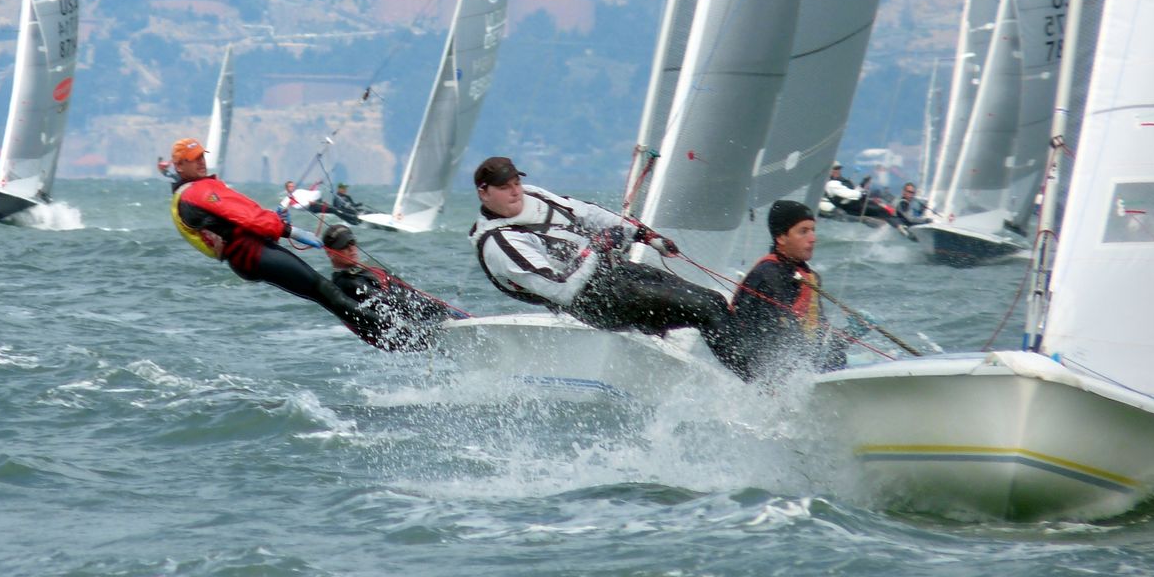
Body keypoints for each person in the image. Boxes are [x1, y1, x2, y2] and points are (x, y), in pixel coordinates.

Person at [467, 156, 733, 353]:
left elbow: (587, 212)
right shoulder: (498, 243)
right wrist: (596, 248)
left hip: (617, 274)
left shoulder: (533, 194)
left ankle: (753, 364)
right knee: (707, 309)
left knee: (716, 300)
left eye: (517, 182)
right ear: (483, 193)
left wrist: (644, 235)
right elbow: (562, 291)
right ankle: (754, 386)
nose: (516, 191)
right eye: (504, 187)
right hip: (596, 302)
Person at [167, 138, 399, 348]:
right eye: (193, 159)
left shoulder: (187, 194)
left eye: (201, 156)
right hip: (253, 254)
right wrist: (289, 231)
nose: (201, 162)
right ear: (179, 166)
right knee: (325, 291)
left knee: (324, 295)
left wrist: (273, 220)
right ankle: (401, 333)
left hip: (249, 257)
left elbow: (232, 221)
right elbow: (247, 218)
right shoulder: (196, 192)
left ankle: (393, 339)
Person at [726, 199, 847, 381]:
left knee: (836, 353)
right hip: (761, 370)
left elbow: (817, 327)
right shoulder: (767, 275)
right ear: (781, 237)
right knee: (832, 355)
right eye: (803, 231)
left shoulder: (809, 276)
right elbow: (772, 336)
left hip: (800, 361)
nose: (813, 238)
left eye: (813, 230)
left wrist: (845, 336)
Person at [320, 223, 458, 349]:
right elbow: (387, 302)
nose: (352, 249)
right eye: (344, 246)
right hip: (400, 336)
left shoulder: (367, 271)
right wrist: (436, 308)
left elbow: (406, 292)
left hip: (414, 324)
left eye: (352, 243)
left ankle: (452, 320)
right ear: (330, 253)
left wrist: (435, 305)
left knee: (440, 309)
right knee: (437, 309)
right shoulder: (346, 283)